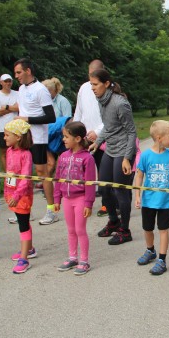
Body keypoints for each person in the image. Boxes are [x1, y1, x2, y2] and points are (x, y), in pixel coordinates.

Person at [89, 69, 138, 245]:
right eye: (91, 84)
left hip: (124, 150)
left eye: (95, 84)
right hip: (110, 149)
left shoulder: (120, 103)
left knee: (120, 191)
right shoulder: (101, 100)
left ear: (107, 83)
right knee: (103, 188)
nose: (92, 88)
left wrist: (127, 158)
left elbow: (132, 132)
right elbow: (108, 127)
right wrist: (98, 141)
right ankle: (114, 221)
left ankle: (125, 230)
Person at [133, 120, 169, 276]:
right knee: (147, 228)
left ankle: (162, 260)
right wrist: (137, 195)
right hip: (149, 200)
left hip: (166, 201)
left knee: (163, 229)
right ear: (159, 137)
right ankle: (150, 251)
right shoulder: (146, 155)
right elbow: (139, 176)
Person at [13, 58, 57, 225]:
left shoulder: (41, 90)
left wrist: (27, 119)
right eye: (15, 73)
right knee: (23, 173)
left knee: (41, 172)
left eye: (19, 72)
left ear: (28, 71)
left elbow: (51, 117)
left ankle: (51, 210)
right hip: (22, 137)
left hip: (38, 137)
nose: (16, 76)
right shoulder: (21, 89)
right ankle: (25, 209)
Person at [54, 121, 97, 275]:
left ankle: (84, 261)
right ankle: (72, 257)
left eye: (66, 137)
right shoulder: (63, 156)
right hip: (66, 199)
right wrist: (57, 198)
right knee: (71, 230)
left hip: (80, 199)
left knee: (80, 230)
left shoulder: (87, 158)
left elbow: (90, 183)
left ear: (77, 138)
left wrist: (88, 204)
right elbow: (58, 178)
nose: (63, 139)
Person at [73, 59, 110, 218]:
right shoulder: (83, 88)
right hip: (85, 137)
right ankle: (83, 202)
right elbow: (79, 111)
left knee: (104, 171)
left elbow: (111, 117)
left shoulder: (109, 90)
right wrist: (75, 129)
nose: (91, 79)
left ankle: (107, 204)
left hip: (103, 138)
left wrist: (98, 132)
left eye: (94, 74)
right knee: (84, 171)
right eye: (89, 74)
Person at [4, 119, 37, 274]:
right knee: (21, 221)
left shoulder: (26, 155)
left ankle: (24, 259)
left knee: (23, 224)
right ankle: (29, 248)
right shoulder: (9, 151)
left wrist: (17, 195)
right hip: (12, 193)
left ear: (18, 137)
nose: (4, 138)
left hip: (22, 195)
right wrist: (8, 192)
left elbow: (25, 178)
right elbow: (9, 173)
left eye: (7, 135)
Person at [0, 73, 19, 172]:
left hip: (15, 127)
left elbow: (19, 107)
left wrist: (6, 107)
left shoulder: (17, 93)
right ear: (1, 82)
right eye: (6, 81)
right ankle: (8, 174)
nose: (8, 83)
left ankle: (16, 171)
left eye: (9, 81)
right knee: (4, 152)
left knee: (17, 150)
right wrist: (12, 107)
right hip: (1, 127)